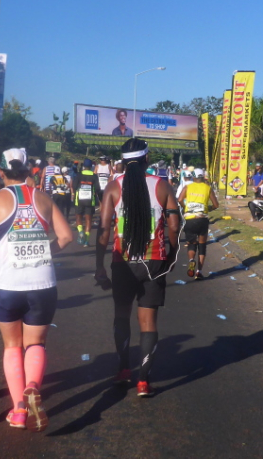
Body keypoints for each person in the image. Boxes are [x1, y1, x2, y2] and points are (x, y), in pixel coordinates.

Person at [0, 147, 72, 432]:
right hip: (42, 283)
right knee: (35, 343)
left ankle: (19, 411)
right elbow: (66, 237)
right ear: (28, 171)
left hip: (5, 284)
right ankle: (33, 385)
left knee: (12, 346)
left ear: (1, 172)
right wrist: (45, 251)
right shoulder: (43, 198)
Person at [95, 138, 180, 396]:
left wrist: (99, 266)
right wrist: (171, 254)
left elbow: (104, 229)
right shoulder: (162, 185)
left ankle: (123, 370)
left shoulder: (113, 187)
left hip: (123, 262)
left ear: (122, 161)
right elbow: (174, 226)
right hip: (154, 261)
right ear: (147, 159)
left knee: (121, 315)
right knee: (148, 322)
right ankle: (143, 381)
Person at [178, 168, 218, 279]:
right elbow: (216, 205)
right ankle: (199, 272)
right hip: (202, 219)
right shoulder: (208, 188)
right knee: (202, 245)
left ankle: (191, 260)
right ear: (203, 177)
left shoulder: (188, 187)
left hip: (190, 219)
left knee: (191, 243)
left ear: (193, 177)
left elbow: (180, 199)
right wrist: (208, 209)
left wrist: (185, 207)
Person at [72, 159, 101, 247]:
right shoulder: (94, 176)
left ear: (83, 166)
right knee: (88, 220)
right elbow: (97, 188)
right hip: (90, 200)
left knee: (78, 217)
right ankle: (86, 241)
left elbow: (74, 186)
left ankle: (81, 232)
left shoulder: (79, 175)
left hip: (79, 200)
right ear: (91, 167)